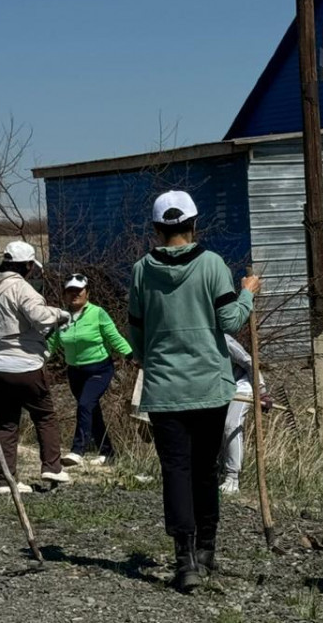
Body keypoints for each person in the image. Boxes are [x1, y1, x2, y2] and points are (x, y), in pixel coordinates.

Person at [128, 190, 261, 593]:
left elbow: (136, 330)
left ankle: (183, 560)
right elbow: (230, 320)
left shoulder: (141, 270)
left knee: (176, 472)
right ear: (194, 224)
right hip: (209, 385)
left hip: (165, 387)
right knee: (205, 470)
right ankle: (206, 551)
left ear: (156, 228)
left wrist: (148, 358)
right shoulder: (212, 265)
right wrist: (249, 292)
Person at [0, 241, 72, 494]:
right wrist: (61, 315)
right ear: (28, 266)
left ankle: (5, 480)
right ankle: (52, 467)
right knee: (44, 415)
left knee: (5, 424)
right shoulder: (22, 288)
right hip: (24, 363)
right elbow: (40, 317)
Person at [49, 273, 133, 467]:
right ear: (64, 294)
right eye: (70, 291)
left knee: (85, 405)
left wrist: (130, 356)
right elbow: (51, 343)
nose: (74, 295)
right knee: (91, 410)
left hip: (99, 369)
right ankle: (107, 452)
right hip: (75, 372)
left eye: (78, 291)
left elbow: (114, 337)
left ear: (87, 293)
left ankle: (78, 450)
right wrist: (38, 360)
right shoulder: (61, 317)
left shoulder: (98, 313)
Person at [218, 334, 270, 495]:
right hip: (217, 391)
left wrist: (261, 392)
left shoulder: (222, 339)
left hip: (241, 387)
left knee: (231, 425)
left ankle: (232, 478)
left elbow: (248, 361)